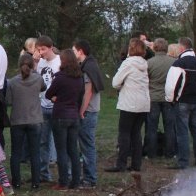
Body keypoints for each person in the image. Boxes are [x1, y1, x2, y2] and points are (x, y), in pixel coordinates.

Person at [165, 37, 196, 168]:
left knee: (182, 131)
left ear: (182, 47)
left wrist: (171, 100)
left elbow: (171, 85)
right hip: (195, 101)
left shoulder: (179, 63)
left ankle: (183, 161)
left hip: (182, 101)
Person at [109, 39, 150, 173]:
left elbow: (115, 82)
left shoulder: (128, 63)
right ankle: (136, 164)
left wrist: (122, 86)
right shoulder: (144, 64)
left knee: (124, 133)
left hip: (129, 103)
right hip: (143, 103)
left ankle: (121, 163)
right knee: (136, 134)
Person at [4, 54, 44, 189]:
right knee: (35, 152)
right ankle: (36, 182)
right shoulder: (38, 79)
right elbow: (43, 88)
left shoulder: (12, 82)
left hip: (17, 120)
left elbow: (8, 101)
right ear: (32, 65)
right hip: (35, 119)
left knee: (16, 152)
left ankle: (16, 181)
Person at [47, 50, 84, 190]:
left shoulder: (60, 78)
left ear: (63, 61)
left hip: (61, 115)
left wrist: (55, 98)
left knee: (61, 150)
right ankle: (75, 181)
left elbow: (49, 93)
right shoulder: (79, 78)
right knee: (73, 150)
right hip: (74, 115)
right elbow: (80, 96)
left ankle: (63, 181)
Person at [72, 40, 104, 187]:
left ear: (80, 51)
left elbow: (88, 91)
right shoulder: (90, 64)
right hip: (91, 109)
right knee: (86, 144)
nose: (73, 54)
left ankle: (90, 179)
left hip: (88, 111)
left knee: (87, 145)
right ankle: (87, 177)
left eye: (74, 50)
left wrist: (81, 111)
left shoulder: (87, 68)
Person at [33, 36, 60, 180]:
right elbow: (35, 78)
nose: (41, 52)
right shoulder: (40, 62)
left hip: (56, 106)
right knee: (43, 141)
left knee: (59, 140)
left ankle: (64, 174)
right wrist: (35, 61)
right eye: (38, 50)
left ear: (50, 47)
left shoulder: (59, 61)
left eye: (43, 49)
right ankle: (44, 173)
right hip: (42, 104)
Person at [145, 38, 176, 158]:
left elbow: (145, 80)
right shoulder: (173, 62)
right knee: (169, 127)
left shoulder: (149, 63)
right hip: (168, 98)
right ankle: (170, 153)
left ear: (155, 48)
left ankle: (151, 153)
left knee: (152, 127)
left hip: (153, 98)